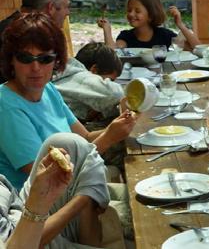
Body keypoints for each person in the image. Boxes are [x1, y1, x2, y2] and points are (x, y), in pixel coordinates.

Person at [0, 13, 136, 190]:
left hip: (72, 190)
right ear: (11, 60)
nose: (35, 68)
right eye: (25, 58)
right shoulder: (6, 105)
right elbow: (49, 174)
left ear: (56, 60)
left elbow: (84, 137)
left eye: (45, 59)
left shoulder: (48, 90)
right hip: (40, 205)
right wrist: (109, 138)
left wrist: (118, 128)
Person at [0, 133, 110, 249]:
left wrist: (39, 199)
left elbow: (86, 135)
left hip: (28, 222)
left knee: (66, 142)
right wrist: (109, 138)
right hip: (30, 238)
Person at [0, 0, 71, 84]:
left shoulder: (11, 26)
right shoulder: (22, 33)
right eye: (66, 7)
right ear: (51, 8)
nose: (68, 13)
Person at [54, 42, 124, 130]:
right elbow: (115, 94)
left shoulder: (67, 72)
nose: (108, 83)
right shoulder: (81, 77)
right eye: (109, 80)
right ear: (94, 70)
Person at [98, 0, 199, 50]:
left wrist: (180, 24)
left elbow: (197, 48)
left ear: (150, 15)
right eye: (129, 10)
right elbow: (113, 52)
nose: (131, 14)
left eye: (137, 11)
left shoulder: (164, 35)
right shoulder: (126, 36)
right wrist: (107, 29)